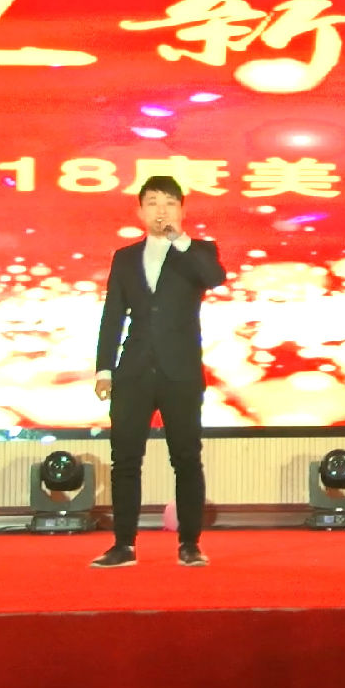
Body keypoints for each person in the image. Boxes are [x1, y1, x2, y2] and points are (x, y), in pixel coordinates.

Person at [91, 176, 226, 567]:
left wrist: (179, 240)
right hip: (133, 371)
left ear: (181, 209)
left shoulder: (198, 251)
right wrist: (104, 369)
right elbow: (112, 315)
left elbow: (215, 278)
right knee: (125, 460)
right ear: (140, 211)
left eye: (169, 203)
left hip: (180, 371)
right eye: (152, 202)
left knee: (186, 458)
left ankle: (190, 543)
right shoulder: (125, 257)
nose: (161, 210)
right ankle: (124, 545)